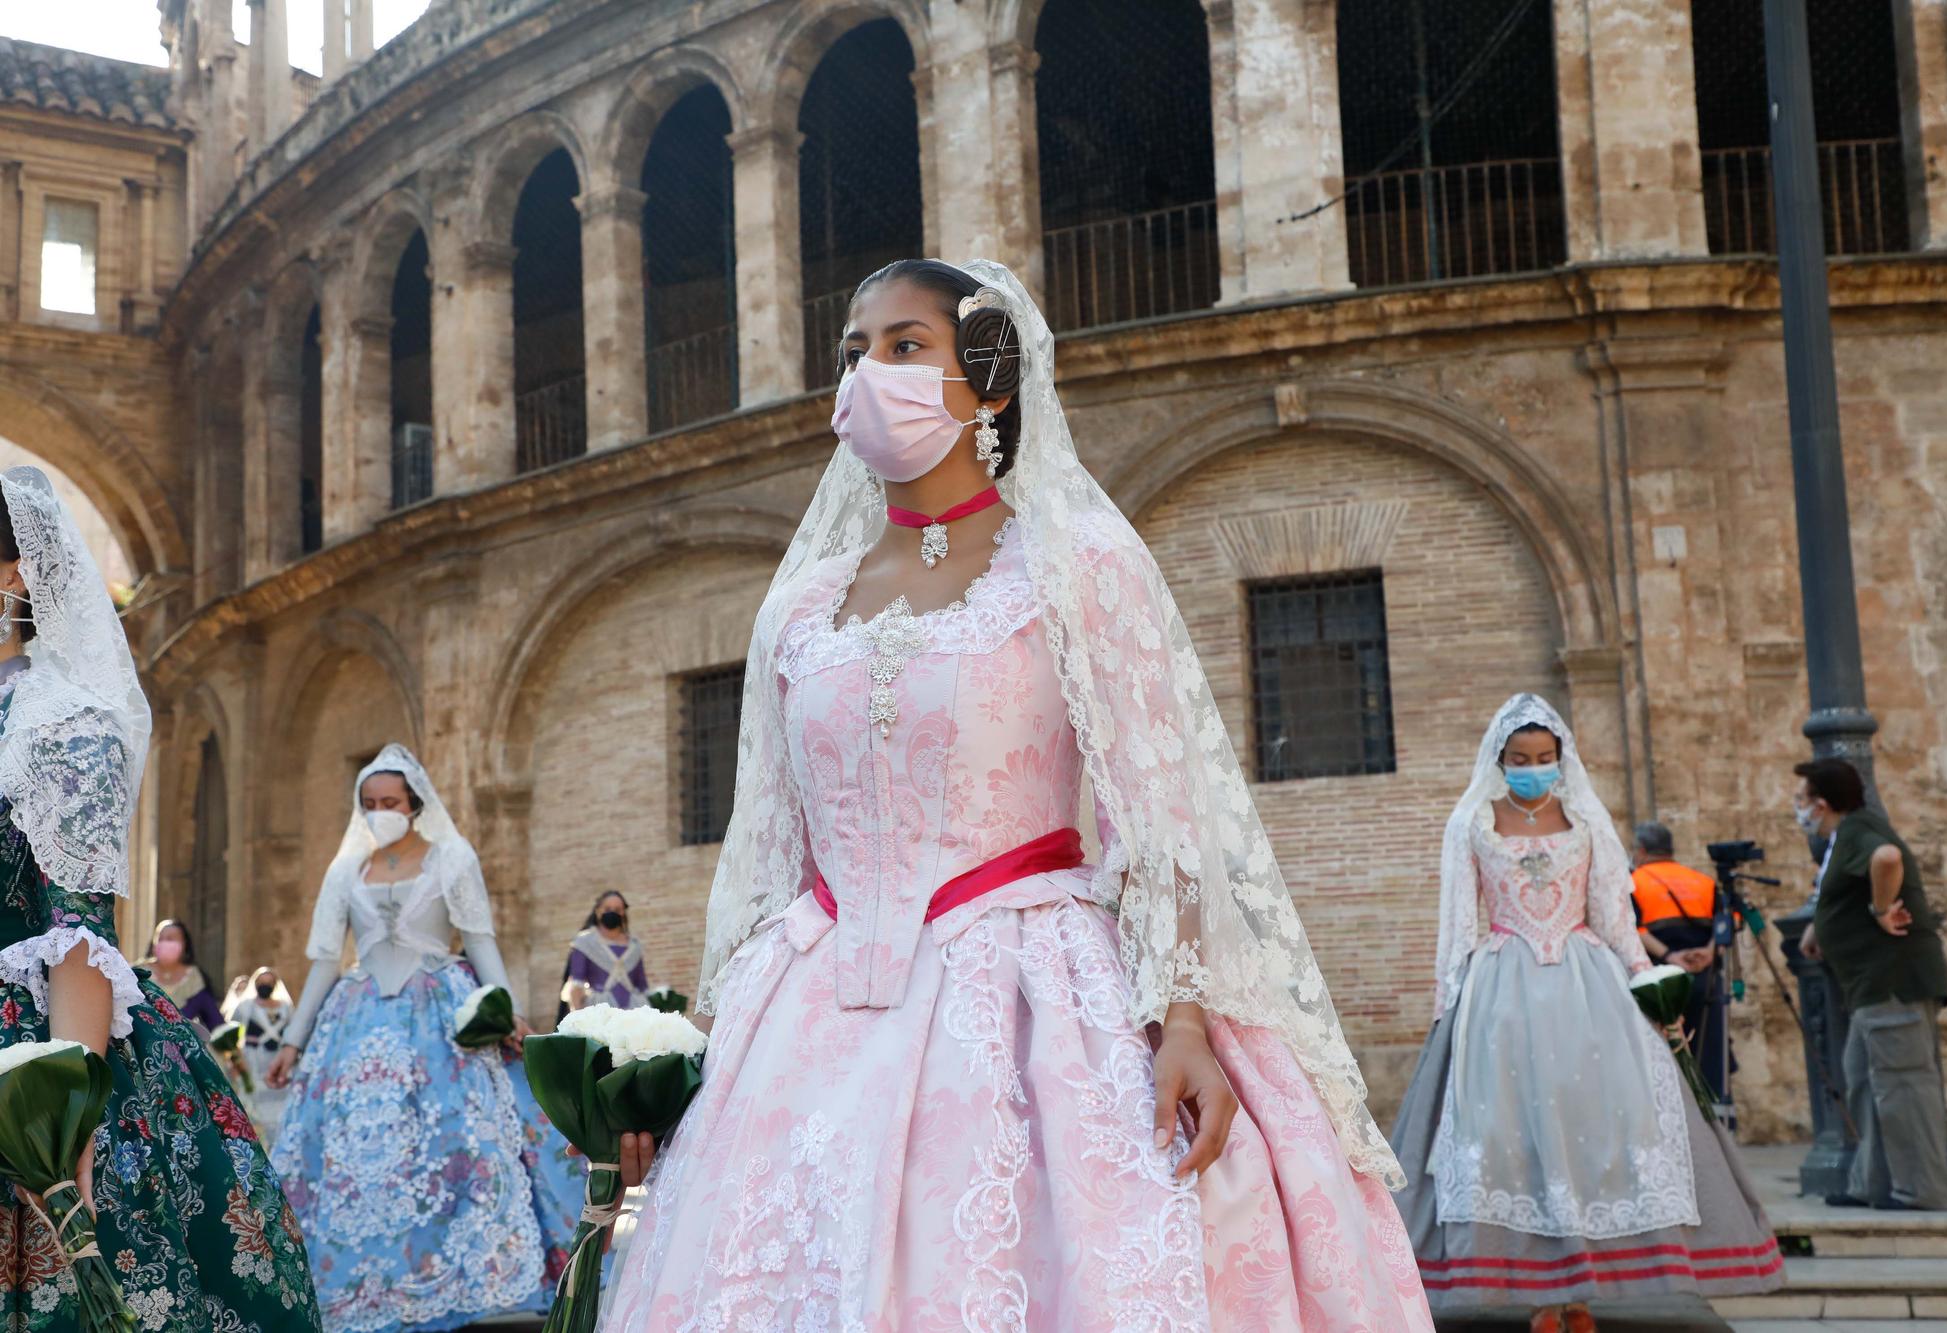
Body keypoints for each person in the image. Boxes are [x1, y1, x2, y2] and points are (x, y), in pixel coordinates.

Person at [600, 259, 1432, 1331]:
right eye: (853, 353)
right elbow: (767, 854)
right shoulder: (800, 607)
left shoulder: (1074, 566)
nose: (866, 373)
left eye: (905, 346)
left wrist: (1183, 1016)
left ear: (986, 378)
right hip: (801, 1031)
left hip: (1029, 1008)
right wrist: (690, 1056)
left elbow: (1162, 813)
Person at [0, 464, 319, 1328]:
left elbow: (75, 937)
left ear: (14, 573)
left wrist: (65, 1138)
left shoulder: (58, 726)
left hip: (28, 1062)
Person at [1390, 695, 1781, 1333]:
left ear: (1562, 757)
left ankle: (1579, 1293)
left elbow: (1613, 916)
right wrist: (1447, 1000)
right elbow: (1458, 921)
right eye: (1521, 759)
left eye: (1545, 758)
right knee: (1512, 1137)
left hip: (1588, 984)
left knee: (1600, 1129)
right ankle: (1547, 1294)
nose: (1534, 768)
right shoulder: (1472, 821)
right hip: (1503, 989)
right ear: (1501, 758)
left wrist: (1645, 982)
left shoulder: (1588, 820)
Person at [265, 743, 585, 1331]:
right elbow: (322, 961)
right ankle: (360, 1281)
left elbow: (481, 940)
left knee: (448, 1144)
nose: (379, 810)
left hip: (440, 1012)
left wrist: (505, 1011)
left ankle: (442, 1273)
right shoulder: (345, 871)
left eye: (390, 801)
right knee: (347, 1154)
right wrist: (293, 1040)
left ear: (414, 804)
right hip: (356, 1018)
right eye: (369, 803)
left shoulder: (451, 859)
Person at [1795, 758, 1947, 1210]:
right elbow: (1838, 893)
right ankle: (1876, 1185)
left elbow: (1887, 860)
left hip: (1893, 983)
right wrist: (1817, 930)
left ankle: (1922, 1190)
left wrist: (1881, 910)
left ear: (1822, 804)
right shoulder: (1844, 838)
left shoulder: (1862, 832)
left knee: (1903, 1085)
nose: (1799, 808)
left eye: (1802, 799)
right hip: (1870, 987)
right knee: (1865, 1082)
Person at [1630, 821, 1731, 1098]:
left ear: (1640, 850)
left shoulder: (1635, 883)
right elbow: (1728, 922)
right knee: (1711, 1050)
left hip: (1660, 984)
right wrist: (1710, 952)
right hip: (1707, 979)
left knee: (1668, 1054)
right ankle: (1720, 1120)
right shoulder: (1703, 882)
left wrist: (1670, 956)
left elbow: (1633, 928)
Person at [221, 966, 293, 1143]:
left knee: (279, 1108)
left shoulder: (286, 1009)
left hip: (277, 1061)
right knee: (252, 1106)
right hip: (251, 1061)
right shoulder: (245, 1007)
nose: (265, 986)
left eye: (269, 983)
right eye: (262, 982)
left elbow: (293, 1033)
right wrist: (235, 1062)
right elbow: (229, 1036)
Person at [557, 890, 649, 1018]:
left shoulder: (634, 945)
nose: (612, 912)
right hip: (599, 1010)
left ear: (623, 913)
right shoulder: (584, 942)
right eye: (607, 908)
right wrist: (577, 1017)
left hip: (633, 1010)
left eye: (618, 909)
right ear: (598, 911)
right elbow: (576, 984)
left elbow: (642, 985)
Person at [141, 916, 225, 1034]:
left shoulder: (194, 978)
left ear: (184, 944)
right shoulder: (138, 973)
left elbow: (216, 1023)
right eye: (161, 938)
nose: (165, 942)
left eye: (170, 939)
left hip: (183, 1047)